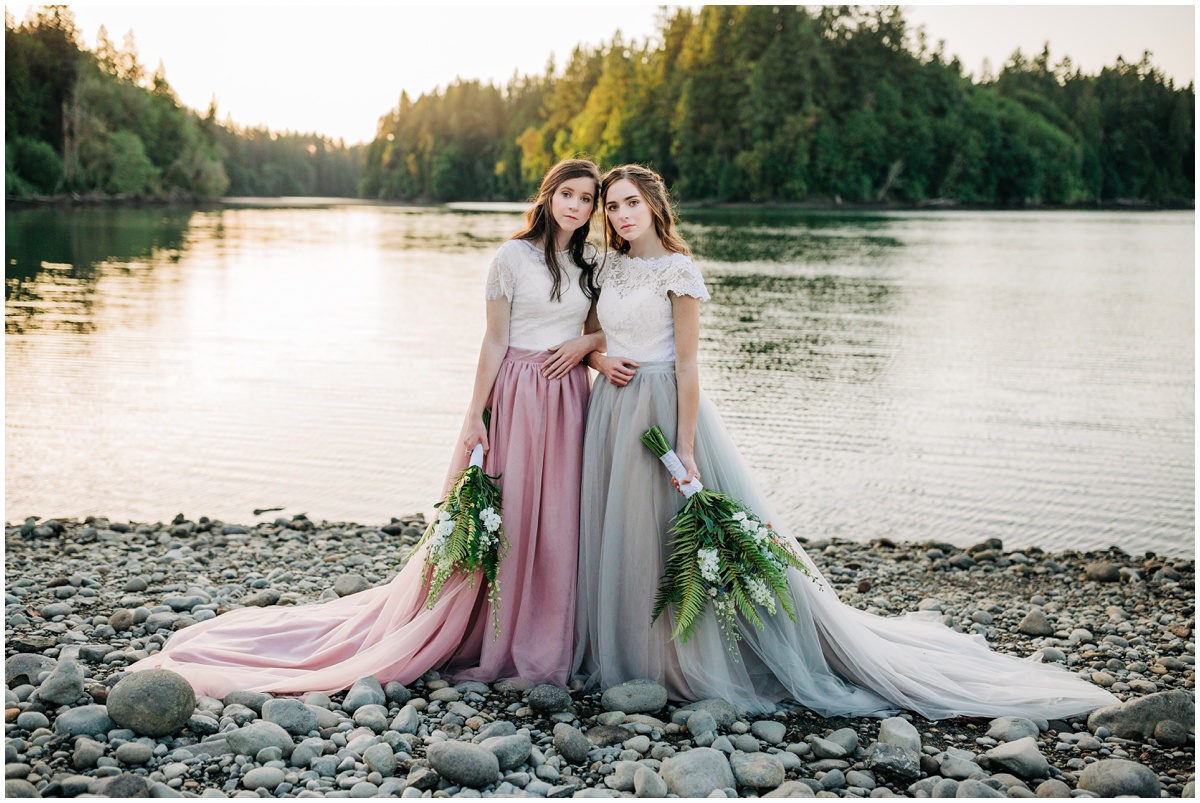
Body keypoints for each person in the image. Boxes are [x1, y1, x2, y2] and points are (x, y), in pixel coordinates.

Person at [572, 164, 1119, 719]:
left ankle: (680, 658)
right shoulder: (608, 268)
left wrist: (685, 446)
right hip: (614, 406)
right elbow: (598, 336)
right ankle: (626, 646)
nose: (620, 215)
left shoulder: (678, 270)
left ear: (654, 205)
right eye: (612, 207)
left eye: (630, 203)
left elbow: (689, 364)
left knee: (667, 531)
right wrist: (597, 358)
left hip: (663, 406)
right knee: (625, 531)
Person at [128, 158, 604, 697]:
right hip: (516, 392)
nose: (576, 206)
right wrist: (475, 413)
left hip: (567, 397)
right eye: (568, 193)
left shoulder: (592, 260)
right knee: (511, 510)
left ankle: (545, 631)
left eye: (587, 199)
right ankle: (491, 631)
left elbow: (599, 331)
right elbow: (494, 339)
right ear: (548, 196)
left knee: (557, 513)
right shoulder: (511, 257)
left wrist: (586, 345)